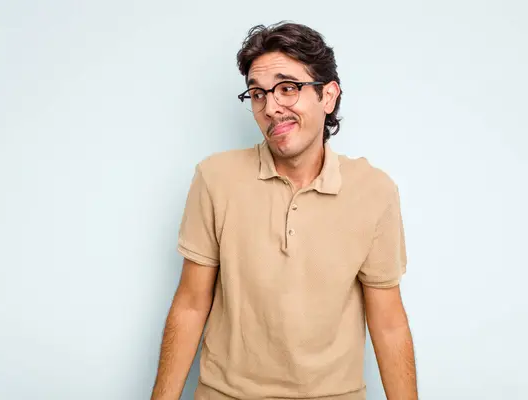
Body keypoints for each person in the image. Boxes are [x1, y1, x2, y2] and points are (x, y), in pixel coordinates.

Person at [151, 22, 417, 400]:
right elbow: (191, 305)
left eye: (287, 88)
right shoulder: (215, 178)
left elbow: (388, 323)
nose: (271, 107)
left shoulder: (374, 190)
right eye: (257, 94)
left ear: (328, 96)